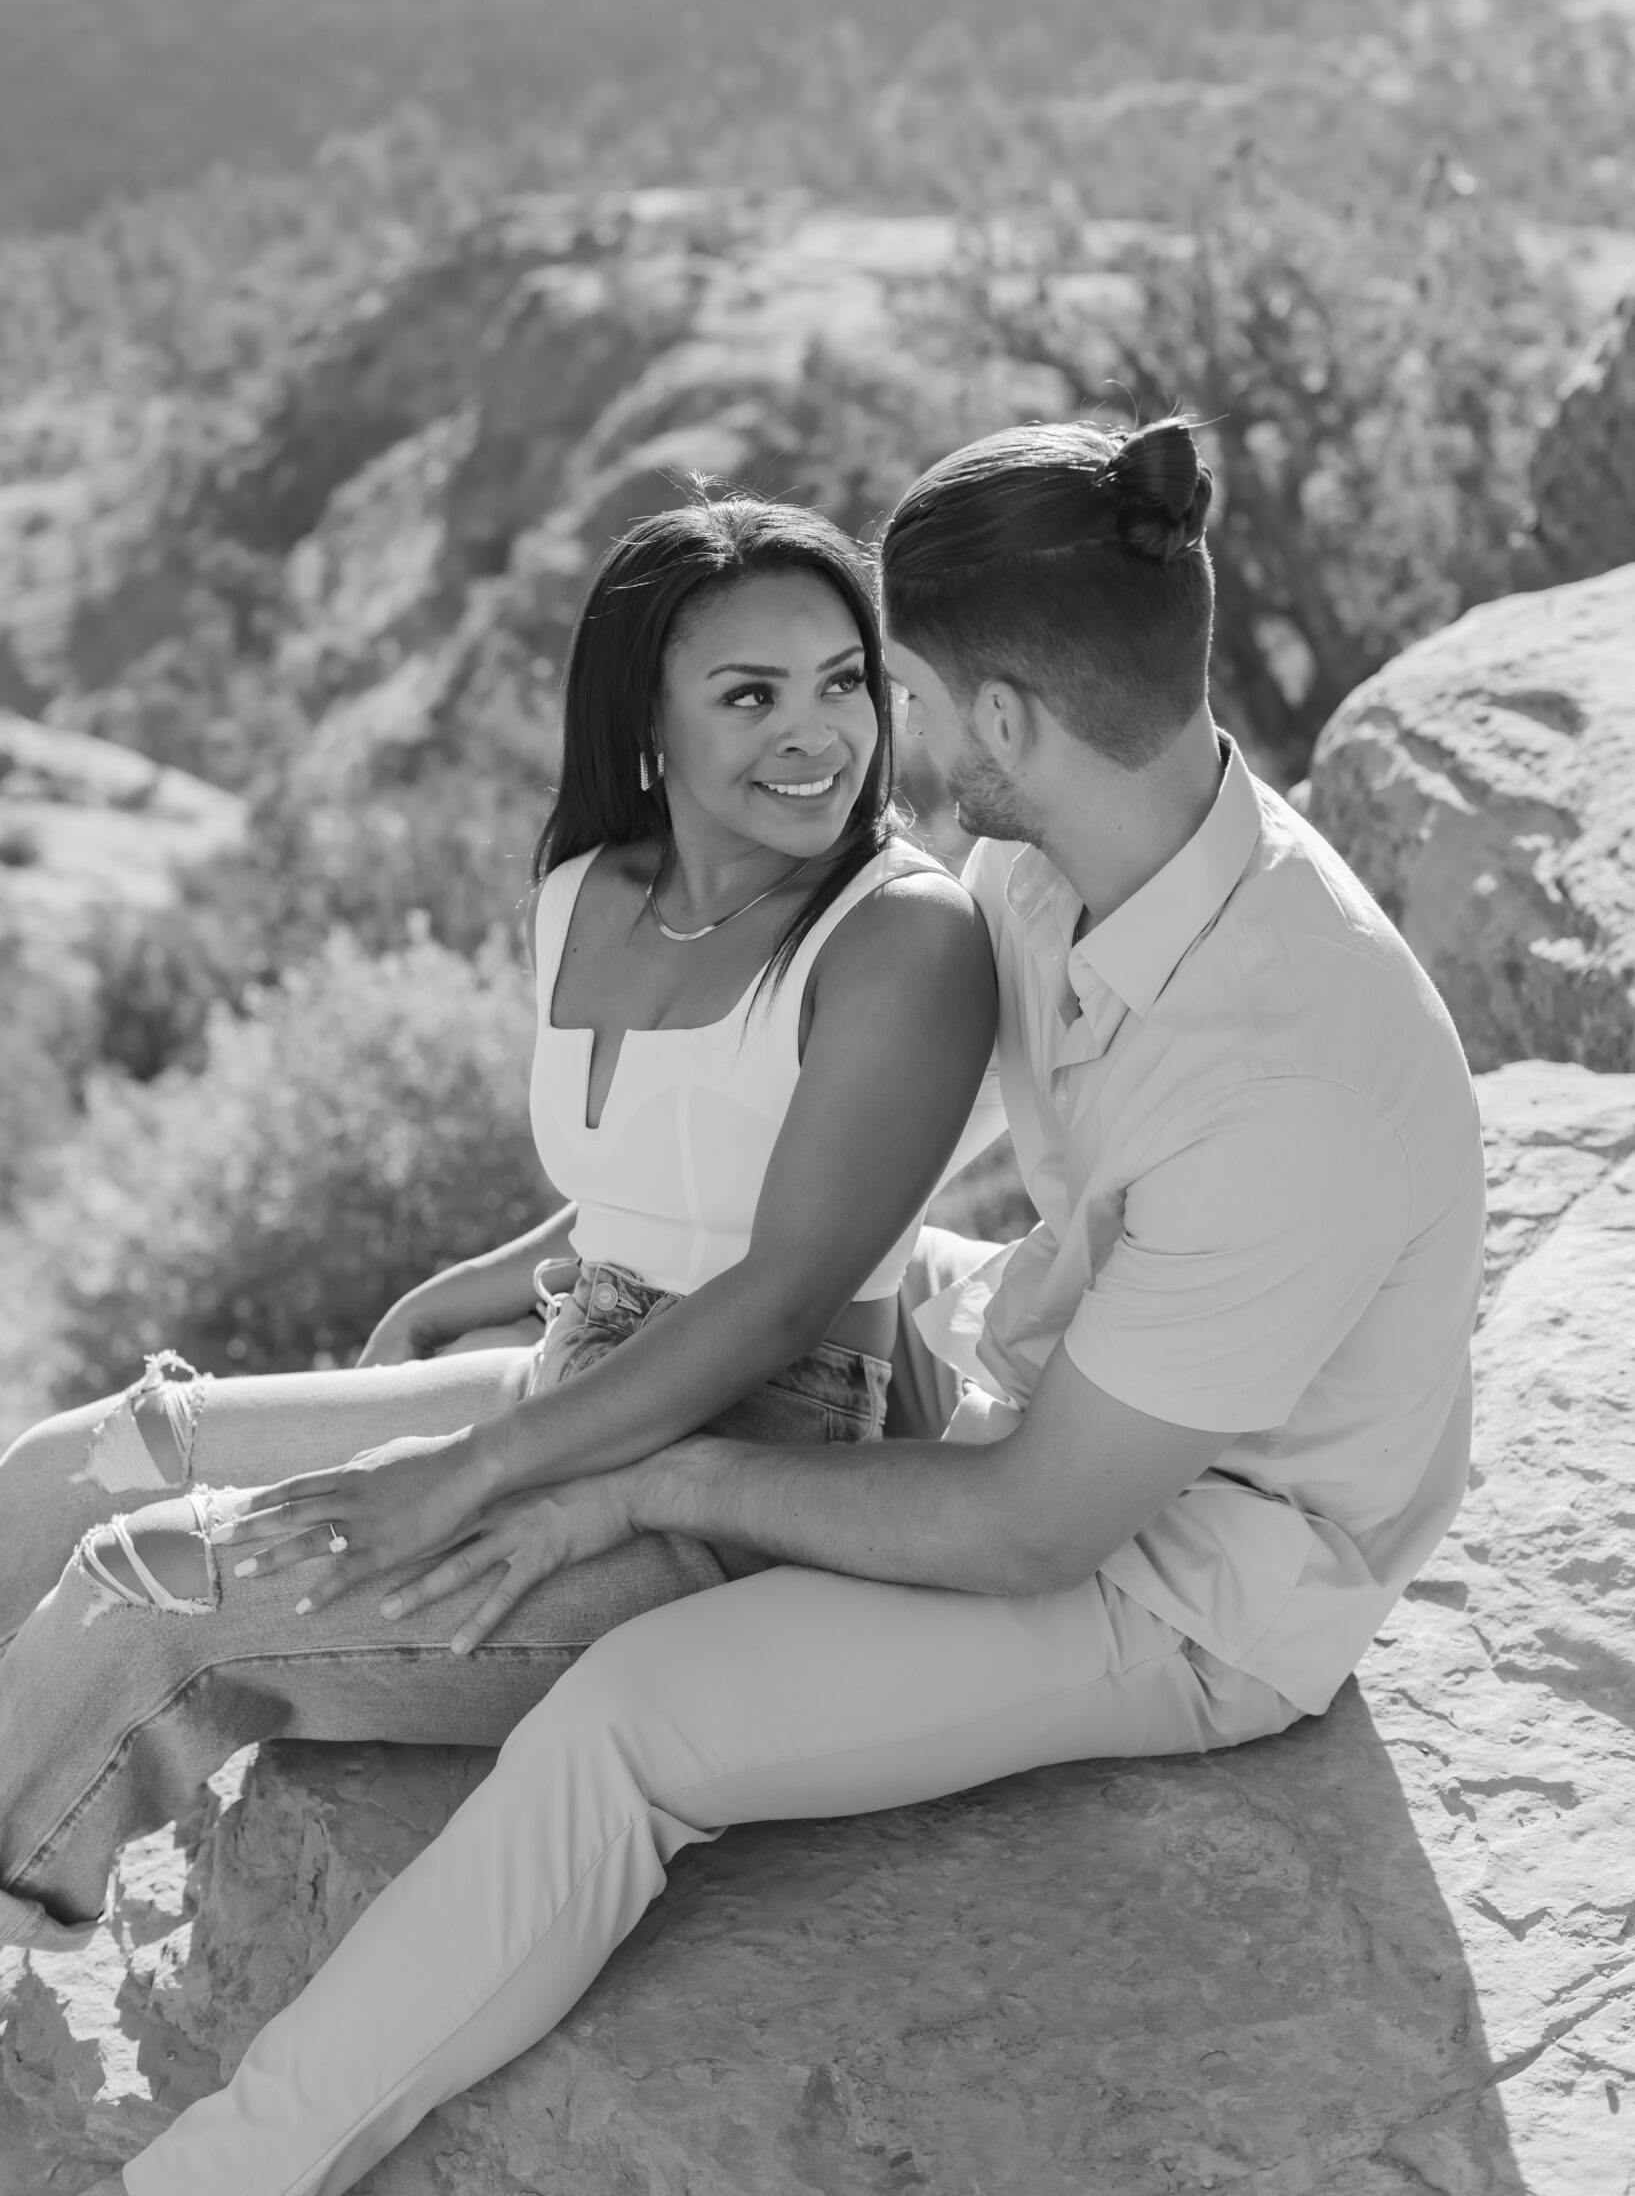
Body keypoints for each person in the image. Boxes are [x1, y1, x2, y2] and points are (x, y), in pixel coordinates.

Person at [76, 413, 1486, 2196]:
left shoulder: (1290, 1064)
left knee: (632, 1722)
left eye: (888, 682)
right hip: (1060, 1345)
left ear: (1002, 723)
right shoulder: (1050, 865)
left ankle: (219, 2174)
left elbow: (1040, 1527)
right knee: (595, 1356)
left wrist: (640, 1477)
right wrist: (559, 1264)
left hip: (1197, 1571)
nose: (857, 731)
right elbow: (832, 1169)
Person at [0, 494, 1005, 2103]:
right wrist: (500, 1276)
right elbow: (672, 1158)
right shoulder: (590, 889)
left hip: (738, 1461)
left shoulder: (900, 938)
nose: (817, 737)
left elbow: (781, 1286)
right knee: (57, 1476)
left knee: (145, 1590)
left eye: (845, 682)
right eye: (749, 694)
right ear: (640, 712)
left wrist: (469, 1468)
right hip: (575, 1364)